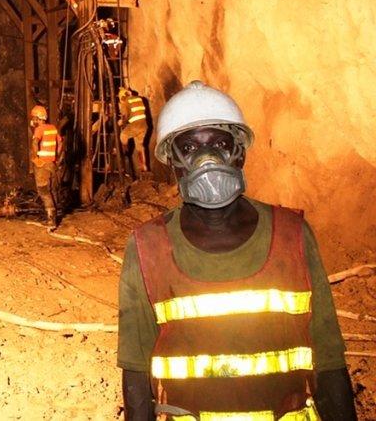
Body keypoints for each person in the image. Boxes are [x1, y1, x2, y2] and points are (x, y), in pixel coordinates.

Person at [118, 81, 355, 420]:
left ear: (239, 152)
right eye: (190, 146)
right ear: (173, 160)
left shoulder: (292, 237)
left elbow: (329, 364)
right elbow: (136, 376)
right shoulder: (147, 248)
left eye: (218, 143)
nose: (207, 157)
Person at [29, 104, 61, 228]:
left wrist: (37, 158)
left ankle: (51, 220)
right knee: (53, 190)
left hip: (42, 164)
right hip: (52, 164)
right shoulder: (53, 128)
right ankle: (55, 217)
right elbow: (60, 143)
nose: (33, 120)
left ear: (38, 118)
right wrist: (56, 157)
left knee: (43, 191)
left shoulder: (39, 129)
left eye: (34, 118)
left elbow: (35, 142)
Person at [117, 85, 150, 178]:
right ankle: (144, 168)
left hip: (134, 126)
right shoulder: (139, 99)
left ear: (122, 97)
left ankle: (125, 154)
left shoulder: (125, 102)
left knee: (123, 135)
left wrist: (121, 122)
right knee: (140, 146)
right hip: (144, 126)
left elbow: (124, 117)